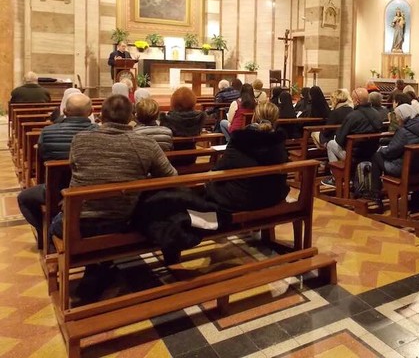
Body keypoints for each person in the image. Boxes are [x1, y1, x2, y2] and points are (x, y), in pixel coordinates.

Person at [48, 94, 177, 302]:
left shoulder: (80, 139)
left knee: (52, 225)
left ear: (100, 116)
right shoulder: (146, 143)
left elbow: (74, 168)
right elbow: (171, 177)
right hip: (122, 220)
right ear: (131, 117)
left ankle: (75, 268)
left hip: (78, 225)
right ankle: (101, 268)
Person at [17, 93, 97, 247]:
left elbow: (42, 156)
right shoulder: (99, 133)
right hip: (89, 189)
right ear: (91, 112)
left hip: (56, 190)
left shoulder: (48, 132)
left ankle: (46, 234)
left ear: (65, 112)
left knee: (24, 198)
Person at [206, 102, 289, 212]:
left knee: (210, 185)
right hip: (272, 196)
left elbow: (221, 167)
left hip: (243, 198)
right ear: (276, 120)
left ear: (254, 116)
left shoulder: (240, 139)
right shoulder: (278, 142)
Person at [370, 104, 419, 201]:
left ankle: (376, 194)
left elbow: (391, 151)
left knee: (376, 156)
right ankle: (417, 199)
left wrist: (382, 149)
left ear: (403, 117)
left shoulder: (404, 131)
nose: (398, 120)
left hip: (404, 169)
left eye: (398, 118)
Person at [325, 88, 383, 165]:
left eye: (352, 99)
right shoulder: (377, 114)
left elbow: (340, 141)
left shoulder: (353, 116)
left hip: (354, 156)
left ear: (357, 101)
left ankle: (336, 174)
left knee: (331, 144)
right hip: (372, 153)